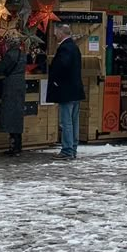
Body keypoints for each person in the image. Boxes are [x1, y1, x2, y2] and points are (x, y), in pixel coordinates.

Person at [48, 24, 85, 160]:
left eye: (56, 32)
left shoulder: (64, 48)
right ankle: (73, 148)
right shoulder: (74, 47)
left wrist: (56, 80)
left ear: (61, 33)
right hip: (75, 89)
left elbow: (61, 66)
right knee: (74, 121)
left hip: (66, 90)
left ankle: (67, 150)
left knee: (66, 122)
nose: (55, 35)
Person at [0, 30, 28, 156]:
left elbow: (0, 68)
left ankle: (14, 146)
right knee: (17, 115)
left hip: (11, 86)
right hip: (20, 85)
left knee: (10, 115)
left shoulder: (10, 55)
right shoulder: (23, 54)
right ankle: (17, 145)